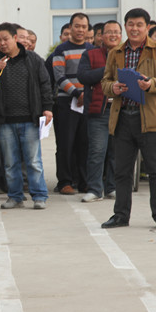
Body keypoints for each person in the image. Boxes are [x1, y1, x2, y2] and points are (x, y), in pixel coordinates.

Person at [100, 7, 156, 230]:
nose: (134, 28)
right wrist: (113, 87)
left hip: (151, 120)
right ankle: (120, 215)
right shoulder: (116, 52)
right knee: (122, 171)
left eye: (139, 25)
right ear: (125, 26)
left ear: (147, 27)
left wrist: (151, 84)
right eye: (130, 24)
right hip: (123, 118)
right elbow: (105, 83)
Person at [0, 22, 53, 209]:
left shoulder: (32, 59)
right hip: (4, 121)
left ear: (15, 38)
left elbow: (45, 84)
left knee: (33, 161)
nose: (2, 43)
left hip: (30, 119)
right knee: (10, 162)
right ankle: (15, 196)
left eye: (5, 39)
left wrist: (47, 108)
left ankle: (39, 196)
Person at [77, 20, 122, 203]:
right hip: (99, 112)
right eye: (109, 32)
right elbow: (83, 76)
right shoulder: (90, 54)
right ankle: (95, 189)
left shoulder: (127, 54)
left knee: (117, 153)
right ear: (101, 36)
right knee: (97, 152)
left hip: (121, 110)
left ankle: (113, 187)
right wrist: (108, 69)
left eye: (116, 32)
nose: (113, 35)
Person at [49, 12, 92, 195]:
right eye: (77, 26)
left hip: (87, 102)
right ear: (70, 27)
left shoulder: (92, 49)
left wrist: (85, 94)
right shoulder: (61, 50)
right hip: (67, 102)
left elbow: (95, 74)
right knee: (65, 144)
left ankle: (84, 182)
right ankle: (65, 182)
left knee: (85, 143)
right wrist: (76, 93)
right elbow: (59, 76)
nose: (80, 30)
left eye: (84, 27)